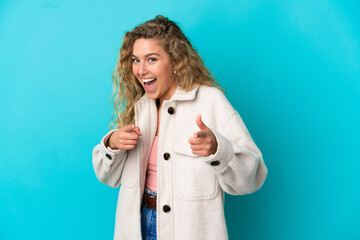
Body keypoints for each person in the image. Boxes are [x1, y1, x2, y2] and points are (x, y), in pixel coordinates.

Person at [92, 15, 268, 240]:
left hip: (189, 230)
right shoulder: (139, 107)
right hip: (137, 225)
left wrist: (218, 149)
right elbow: (108, 177)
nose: (141, 70)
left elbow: (253, 178)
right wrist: (112, 143)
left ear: (175, 60)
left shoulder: (209, 101)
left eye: (152, 59)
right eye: (136, 60)